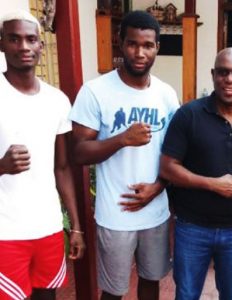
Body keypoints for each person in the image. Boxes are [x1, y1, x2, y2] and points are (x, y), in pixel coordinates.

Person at [69, 11, 179, 300]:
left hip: (155, 212)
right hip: (115, 214)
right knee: (114, 292)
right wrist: (121, 140)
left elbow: (175, 154)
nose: (139, 52)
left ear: (157, 47)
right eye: (132, 44)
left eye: (147, 45)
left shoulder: (167, 94)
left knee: (150, 282)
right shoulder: (95, 91)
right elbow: (78, 152)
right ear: (120, 43)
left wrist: (158, 188)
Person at [160, 47, 232, 300]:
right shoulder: (189, 115)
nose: (230, 79)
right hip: (192, 227)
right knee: (187, 294)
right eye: (223, 72)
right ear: (213, 74)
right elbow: (168, 167)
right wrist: (211, 184)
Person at [0, 10, 85, 300]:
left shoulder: (57, 101)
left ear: (40, 46)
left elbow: (61, 168)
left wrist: (75, 227)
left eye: (30, 39)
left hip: (47, 227)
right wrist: (0, 166)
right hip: (6, 231)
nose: (23, 46)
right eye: (14, 39)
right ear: (1, 43)